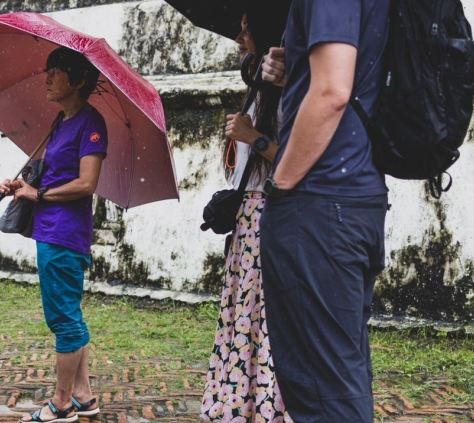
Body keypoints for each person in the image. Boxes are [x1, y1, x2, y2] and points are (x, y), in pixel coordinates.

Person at [257, 0, 391, 421]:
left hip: (318, 200)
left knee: (321, 390)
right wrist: (296, 70)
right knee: (341, 373)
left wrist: (282, 182)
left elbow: (333, 91)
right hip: (358, 195)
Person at [0, 47, 107, 423]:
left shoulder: (91, 124)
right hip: (50, 229)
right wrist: (24, 183)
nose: (47, 78)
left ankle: (61, 403)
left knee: (63, 319)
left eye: (55, 72)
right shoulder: (61, 121)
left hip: (65, 233)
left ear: (77, 81)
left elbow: (87, 183)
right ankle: (83, 395)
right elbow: (53, 173)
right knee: (68, 314)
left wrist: (38, 194)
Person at [199, 10, 292, 423]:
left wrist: (253, 137)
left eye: (247, 27)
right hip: (249, 216)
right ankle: (241, 402)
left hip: (270, 214)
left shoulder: (288, 89)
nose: (240, 36)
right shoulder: (258, 87)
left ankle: (265, 405)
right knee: (245, 316)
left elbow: (296, 158)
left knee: (264, 318)